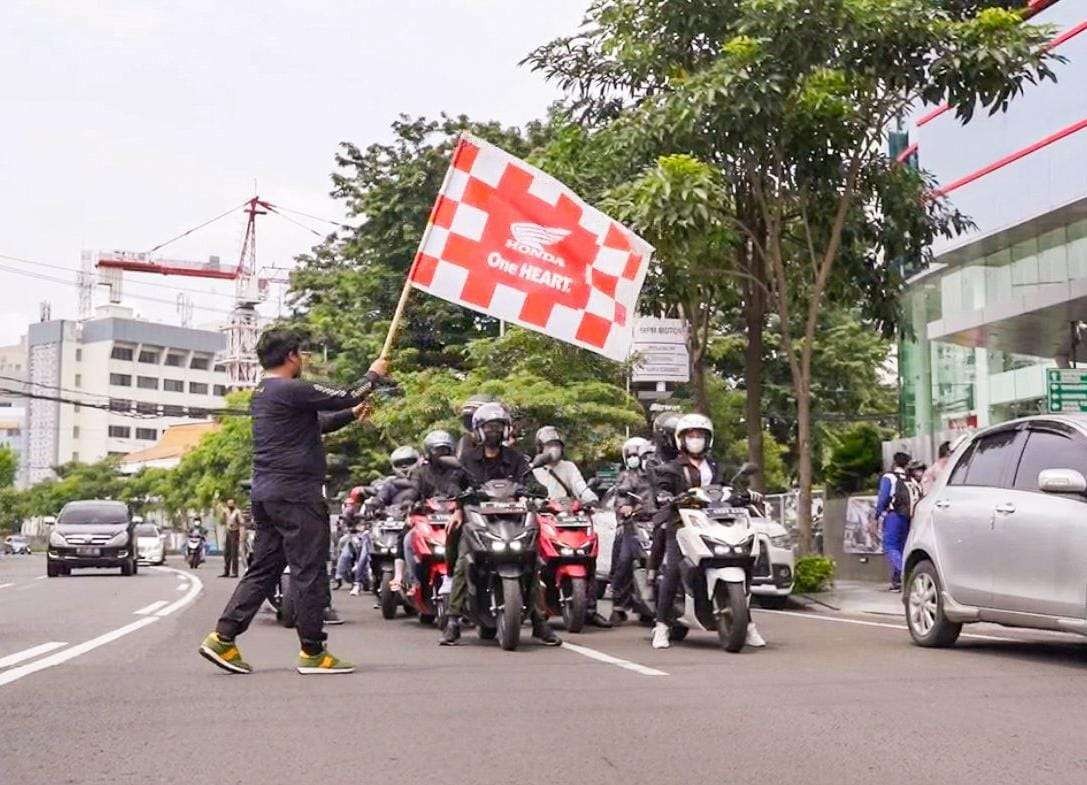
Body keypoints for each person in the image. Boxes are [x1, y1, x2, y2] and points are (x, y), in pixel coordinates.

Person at [198, 328, 388, 676]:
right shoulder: (293, 388)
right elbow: (346, 393)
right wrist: (374, 374)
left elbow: (317, 425)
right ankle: (313, 652)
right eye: (301, 354)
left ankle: (222, 638)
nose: (303, 360)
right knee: (309, 571)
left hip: (267, 494)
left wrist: (352, 413)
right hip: (297, 495)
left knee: (265, 569)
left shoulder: (264, 393)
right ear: (290, 356)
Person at [439, 402, 562, 647]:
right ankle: (452, 621)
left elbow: (533, 482)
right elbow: (453, 483)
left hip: (513, 518)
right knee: (465, 560)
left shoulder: (517, 459)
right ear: (479, 430)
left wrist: (537, 491)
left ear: (506, 429)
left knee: (532, 562)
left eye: (499, 426)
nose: (494, 431)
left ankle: (539, 622)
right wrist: (458, 497)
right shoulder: (467, 458)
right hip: (479, 518)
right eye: (489, 426)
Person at [649, 413, 766, 650]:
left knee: (743, 560)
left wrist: (745, 495)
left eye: (700, 436)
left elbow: (728, 489)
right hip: (681, 524)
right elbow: (661, 491)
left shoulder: (716, 466)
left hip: (714, 522)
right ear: (681, 440)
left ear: (708, 440)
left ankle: (748, 624)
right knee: (673, 570)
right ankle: (661, 626)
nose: (695, 440)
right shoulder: (670, 468)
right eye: (691, 436)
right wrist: (665, 496)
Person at [531, 425, 611, 627]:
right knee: (531, 556)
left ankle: (590, 608)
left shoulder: (569, 467)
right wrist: (533, 503)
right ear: (540, 447)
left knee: (588, 556)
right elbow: (528, 492)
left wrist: (591, 500)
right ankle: (531, 605)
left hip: (571, 516)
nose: (554, 449)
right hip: (545, 518)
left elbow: (581, 487)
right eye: (549, 445)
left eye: (557, 445)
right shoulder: (534, 469)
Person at [390, 430, 465, 593]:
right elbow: (414, 489)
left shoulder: (459, 470)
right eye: (437, 450)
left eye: (445, 449)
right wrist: (409, 502)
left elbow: (467, 488)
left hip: (455, 514)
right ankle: (403, 577)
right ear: (429, 451)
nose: (441, 454)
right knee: (406, 534)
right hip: (427, 515)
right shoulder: (420, 471)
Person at [609, 436, 655, 622]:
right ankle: (618, 605)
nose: (636, 457)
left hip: (658, 522)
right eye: (632, 454)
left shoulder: (659, 474)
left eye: (640, 453)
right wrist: (625, 508)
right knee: (624, 559)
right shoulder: (627, 476)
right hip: (635, 522)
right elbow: (621, 497)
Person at [876, 452, 912, 591]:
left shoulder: (889, 477)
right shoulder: (910, 478)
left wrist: (877, 515)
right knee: (902, 548)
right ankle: (897, 581)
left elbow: (883, 498)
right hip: (908, 517)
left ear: (894, 463)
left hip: (894, 515)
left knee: (890, 546)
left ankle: (905, 574)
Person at [220, 499, 244, 578]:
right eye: (228, 504)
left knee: (234, 553)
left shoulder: (237, 512)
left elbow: (241, 522)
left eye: (231, 504)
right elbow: (222, 521)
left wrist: (242, 535)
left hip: (235, 532)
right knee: (227, 553)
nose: (230, 506)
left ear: (234, 504)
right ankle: (226, 571)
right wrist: (222, 514)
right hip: (228, 532)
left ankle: (234, 572)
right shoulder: (226, 511)